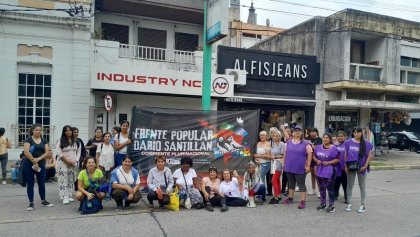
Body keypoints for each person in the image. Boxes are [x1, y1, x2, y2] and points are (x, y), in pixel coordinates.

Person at [22, 124, 54, 211]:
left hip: (41, 163)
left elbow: (47, 152)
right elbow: (26, 152)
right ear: (32, 130)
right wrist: (33, 161)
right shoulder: (28, 140)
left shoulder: (44, 140)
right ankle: (31, 203)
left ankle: (43, 201)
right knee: (30, 183)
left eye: (40, 130)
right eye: (36, 130)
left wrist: (38, 159)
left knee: (41, 183)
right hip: (29, 164)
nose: (38, 131)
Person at [282, 125, 313, 209]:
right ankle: (290, 198)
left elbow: (310, 154)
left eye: (299, 131)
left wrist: (308, 166)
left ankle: (303, 201)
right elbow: (285, 153)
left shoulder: (306, 143)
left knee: (301, 184)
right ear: (293, 133)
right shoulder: (288, 142)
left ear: (302, 133)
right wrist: (284, 164)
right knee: (291, 183)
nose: (297, 132)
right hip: (289, 166)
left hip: (300, 168)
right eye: (295, 131)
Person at [344, 127, 373, 213]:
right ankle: (349, 203)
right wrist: (346, 166)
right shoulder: (348, 142)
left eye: (358, 132)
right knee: (350, 185)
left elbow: (369, 156)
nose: (356, 134)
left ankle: (362, 205)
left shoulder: (367, 144)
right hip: (351, 167)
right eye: (354, 132)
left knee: (362, 186)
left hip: (362, 167)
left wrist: (365, 166)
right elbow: (345, 155)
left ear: (361, 133)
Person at [313, 133, 340, 213]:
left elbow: (338, 159)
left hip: (330, 170)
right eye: (324, 138)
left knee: (330, 188)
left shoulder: (334, 149)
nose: (325, 139)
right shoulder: (318, 147)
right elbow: (314, 156)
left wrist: (329, 162)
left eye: (327, 138)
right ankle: (323, 203)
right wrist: (317, 160)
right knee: (321, 187)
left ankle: (331, 205)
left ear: (330, 139)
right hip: (320, 169)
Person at [56, 125, 81, 205]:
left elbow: (78, 152)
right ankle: (64, 196)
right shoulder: (60, 141)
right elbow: (59, 153)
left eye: (70, 130)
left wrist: (76, 161)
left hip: (73, 163)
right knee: (63, 180)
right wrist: (66, 161)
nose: (68, 132)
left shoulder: (76, 141)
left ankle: (70, 195)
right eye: (66, 131)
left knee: (71, 180)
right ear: (64, 132)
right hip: (62, 163)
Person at [269, 130, 285, 204]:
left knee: (273, 180)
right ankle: (278, 195)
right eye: (274, 136)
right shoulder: (272, 143)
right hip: (273, 163)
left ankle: (275, 196)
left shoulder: (282, 144)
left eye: (276, 136)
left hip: (278, 162)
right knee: (277, 180)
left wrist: (274, 156)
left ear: (279, 136)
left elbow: (282, 155)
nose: (275, 137)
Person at [254, 131, 272, 196]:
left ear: (266, 136)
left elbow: (267, 156)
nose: (262, 136)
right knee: (260, 178)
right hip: (258, 164)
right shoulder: (257, 143)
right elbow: (254, 154)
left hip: (265, 164)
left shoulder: (268, 144)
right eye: (261, 135)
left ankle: (261, 194)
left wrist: (258, 155)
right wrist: (261, 155)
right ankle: (262, 194)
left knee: (260, 177)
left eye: (264, 135)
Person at [334, 131, 348, 204]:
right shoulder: (334, 145)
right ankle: (335, 195)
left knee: (345, 183)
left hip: (345, 168)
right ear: (336, 138)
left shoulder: (347, 144)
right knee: (336, 183)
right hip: (336, 168)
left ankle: (347, 197)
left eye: (342, 136)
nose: (340, 137)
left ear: (345, 137)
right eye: (338, 136)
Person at [308, 127, 322, 196]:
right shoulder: (308, 139)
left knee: (317, 175)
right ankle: (313, 190)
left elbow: (317, 149)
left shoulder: (320, 139)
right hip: (310, 159)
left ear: (317, 132)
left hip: (317, 159)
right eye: (311, 132)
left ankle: (320, 191)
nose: (312, 133)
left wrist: (310, 144)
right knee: (312, 174)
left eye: (314, 131)